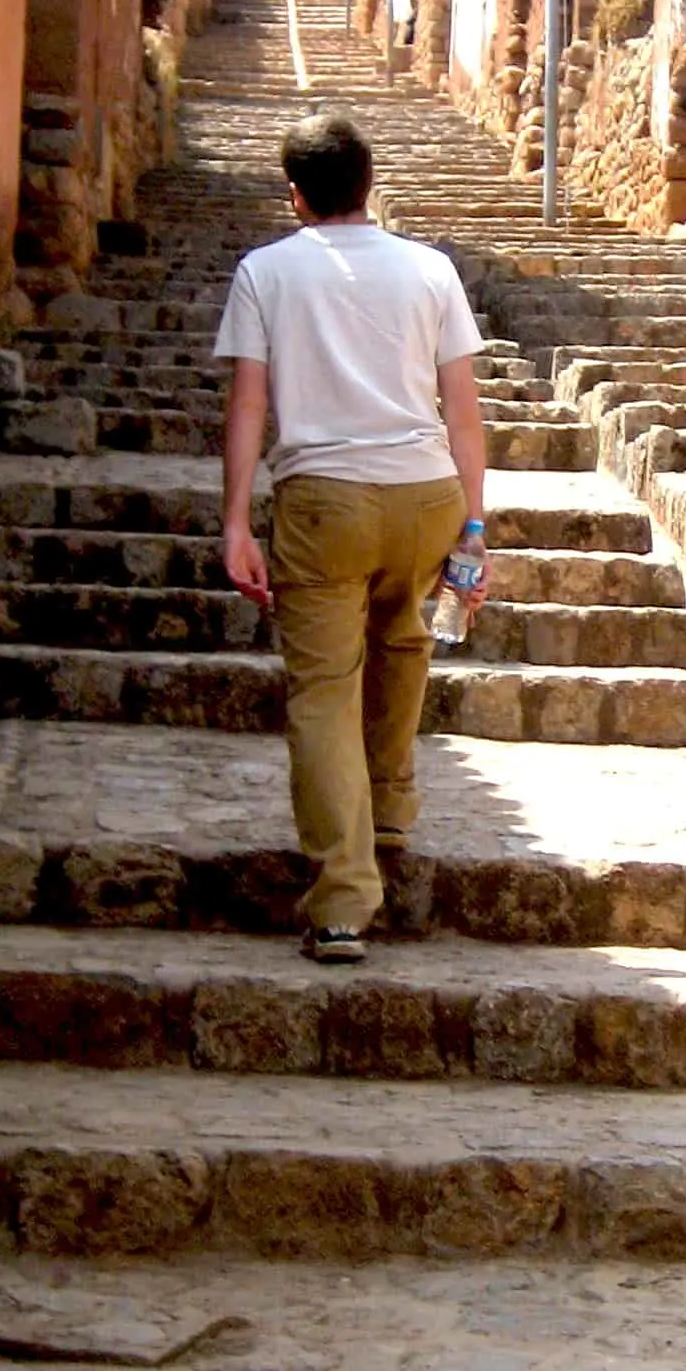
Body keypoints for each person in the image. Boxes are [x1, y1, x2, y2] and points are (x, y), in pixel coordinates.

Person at [217, 107, 490, 964]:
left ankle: (342, 900)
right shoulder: (431, 270)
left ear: (295, 196)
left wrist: (235, 520)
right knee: (404, 643)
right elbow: (465, 410)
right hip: (426, 495)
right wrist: (474, 529)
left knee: (323, 691)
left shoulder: (266, 272)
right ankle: (392, 810)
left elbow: (249, 405)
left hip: (324, 502)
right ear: (372, 186)